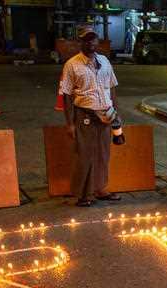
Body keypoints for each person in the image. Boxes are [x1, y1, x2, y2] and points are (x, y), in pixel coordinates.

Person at [60, 25, 124, 207]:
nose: (91, 43)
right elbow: (66, 94)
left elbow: (112, 87)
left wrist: (116, 114)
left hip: (106, 114)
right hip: (85, 114)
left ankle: (101, 188)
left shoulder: (104, 61)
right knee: (85, 154)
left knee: (103, 153)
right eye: (86, 39)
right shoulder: (72, 65)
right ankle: (84, 194)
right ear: (81, 41)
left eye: (93, 39)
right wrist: (70, 124)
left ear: (98, 41)